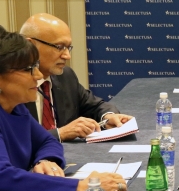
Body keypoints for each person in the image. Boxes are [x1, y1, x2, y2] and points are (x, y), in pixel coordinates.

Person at [0, 24, 127, 191]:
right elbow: (0, 177)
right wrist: (82, 187)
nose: (38, 75)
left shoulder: (8, 101)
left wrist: (45, 159)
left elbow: (46, 140)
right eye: (28, 69)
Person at [19, 13, 134, 141]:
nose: (67, 56)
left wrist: (108, 116)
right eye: (59, 47)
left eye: (68, 48)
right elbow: (12, 139)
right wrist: (60, 133)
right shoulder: (12, 86)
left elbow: (94, 106)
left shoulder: (65, 76)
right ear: (31, 46)